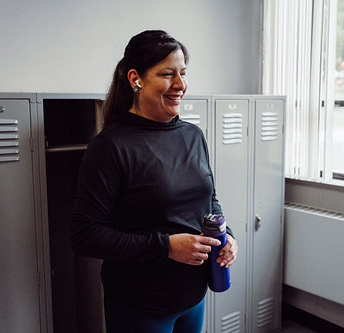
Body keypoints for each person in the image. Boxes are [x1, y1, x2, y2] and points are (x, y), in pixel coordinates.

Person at [70, 30, 238, 333]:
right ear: (136, 79)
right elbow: (85, 235)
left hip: (193, 297)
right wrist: (166, 248)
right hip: (140, 304)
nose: (180, 85)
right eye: (167, 74)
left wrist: (228, 238)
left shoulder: (193, 136)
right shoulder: (110, 146)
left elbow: (208, 200)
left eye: (183, 74)